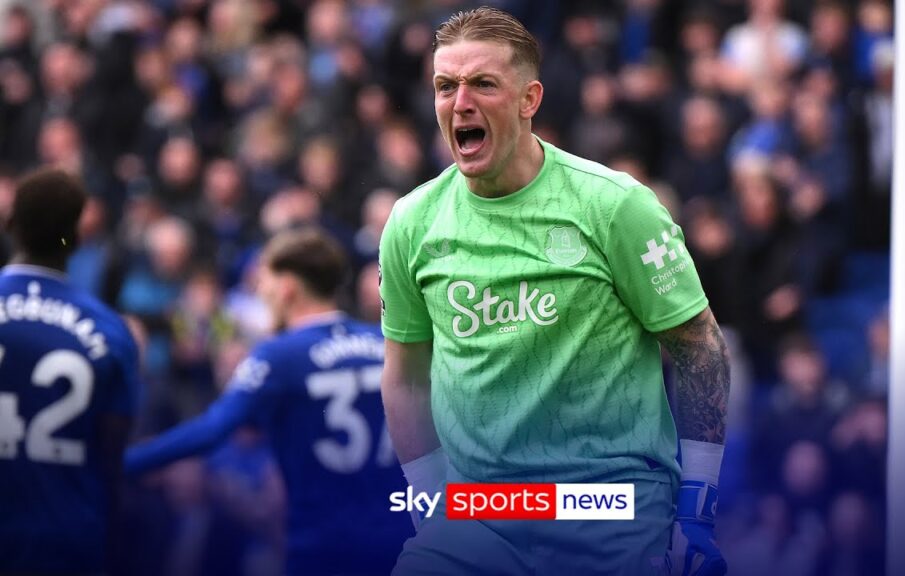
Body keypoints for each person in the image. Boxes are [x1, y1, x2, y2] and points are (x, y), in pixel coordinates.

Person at [379, 7, 730, 576]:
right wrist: (428, 502)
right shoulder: (412, 222)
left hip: (610, 505)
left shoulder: (614, 206)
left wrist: (698, 507)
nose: (460, 101)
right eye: (446, 86)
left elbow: (699, 347)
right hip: (479, 514)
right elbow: (405, 373)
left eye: (483, 84)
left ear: (529, 99)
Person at [124, 226, 413, 575]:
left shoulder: (279, 355)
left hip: (322, 546)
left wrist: (121, 462)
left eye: (264, 281)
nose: (261, 293)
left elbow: (212, 429)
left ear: (287, 287)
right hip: (399, 542)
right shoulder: (384, 342)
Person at [0, 168, 141, 573]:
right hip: (68, 538)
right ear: (77, 239)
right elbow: (112, 457)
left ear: (10, 224)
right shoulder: (111, 329)